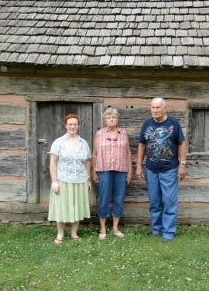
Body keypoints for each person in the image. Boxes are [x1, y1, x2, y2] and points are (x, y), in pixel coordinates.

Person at [135, 98, 186, 243]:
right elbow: (141, 145)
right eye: (153, 107)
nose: (155, 110)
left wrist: (182, 164)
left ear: (164, 108)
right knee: (155, 202)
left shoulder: (173, 123)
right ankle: (156, 230)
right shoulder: (147, 124)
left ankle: (168, 232)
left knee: (169, 201)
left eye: (158, 107)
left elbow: (181, 143)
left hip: (169, 169)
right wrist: (139, 166)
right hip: (151, 169)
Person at [48, 114, 92, 244]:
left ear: (78, 126)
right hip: (63, 179)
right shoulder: (59, 142)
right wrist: (54, 181)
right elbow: (53, 163)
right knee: (61, 207)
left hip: (79, 180)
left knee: (77, 206)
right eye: (70, 124)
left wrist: (88, 180)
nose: (73, 126)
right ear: (65, 125)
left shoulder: (83, 143)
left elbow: (87, 162)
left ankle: (74, 233)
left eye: (75, 124)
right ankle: (60, 234)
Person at [92, 108, 132, 240]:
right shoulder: (99, 134)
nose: (111, 119)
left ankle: (115, 227)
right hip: (103, 169)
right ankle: (103, 228)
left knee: (119, 198)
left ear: (117, 119)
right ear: (105, 119)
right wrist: (94, 171)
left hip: (121, 170)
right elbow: (95, 153)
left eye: (113, 117)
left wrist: (130, 171)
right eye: (109, 117)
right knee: (103, 198)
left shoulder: (123, 133)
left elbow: (127, 153)